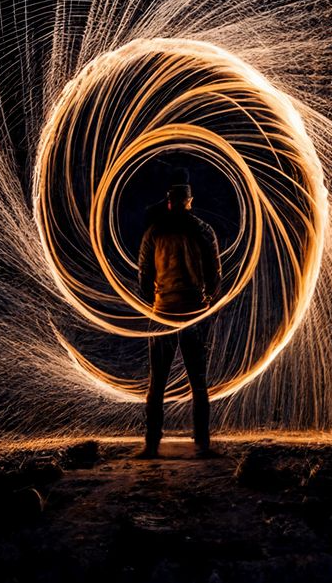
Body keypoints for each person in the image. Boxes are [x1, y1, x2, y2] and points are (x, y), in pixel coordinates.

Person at [137, 177, 221, 458]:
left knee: (157, 381)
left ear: (169, 202)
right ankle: (203, 441)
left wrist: (156, 299)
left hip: (163, 312)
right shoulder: (204, 230)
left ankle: (151, 443)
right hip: (194, 312)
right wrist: (206, 299)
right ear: (189, 202)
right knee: (198, 380)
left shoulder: (154, 232)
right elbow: (215, 275)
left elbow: (144, 277)